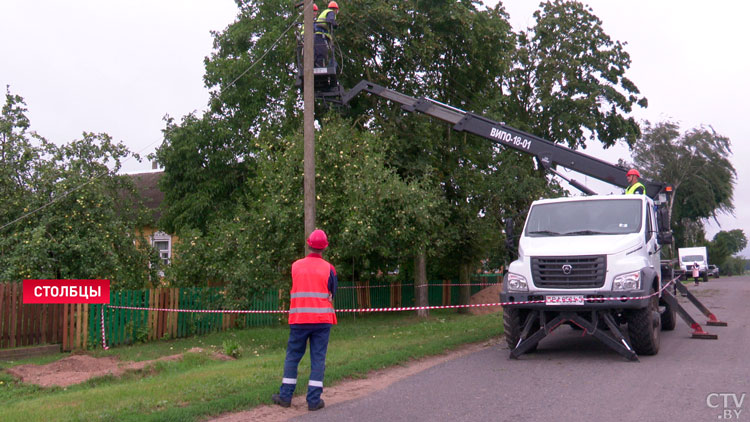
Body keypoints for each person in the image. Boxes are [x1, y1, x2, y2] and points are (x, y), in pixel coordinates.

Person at [272, 229, 338, 411]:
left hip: (299, 318)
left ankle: (285, 396)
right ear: (324, 248)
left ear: (308, 244)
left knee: (293, 357)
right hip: (322, 320)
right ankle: (314, 400)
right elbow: (333, 291)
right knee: (318, 358)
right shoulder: (329, 268)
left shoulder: (295, 266)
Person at [314, 1, 339, 67]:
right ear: (335, 9)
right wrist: (335, 25)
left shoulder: (325, 12)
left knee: (317, 53)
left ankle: (315, 66)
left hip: (317, 35)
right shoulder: (331, 12)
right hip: (321, 36)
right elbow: (330, 20)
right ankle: (319, 67)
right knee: (322, 52)